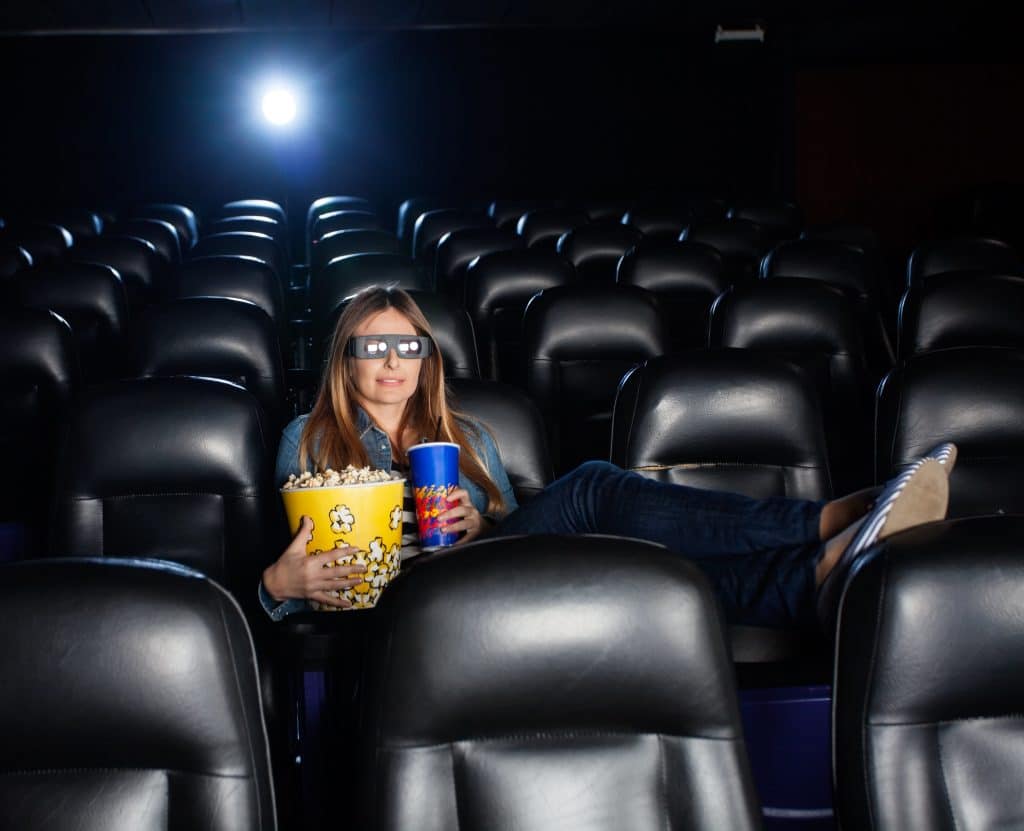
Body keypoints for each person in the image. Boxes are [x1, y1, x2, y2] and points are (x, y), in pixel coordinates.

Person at [260, 286, 955, 629]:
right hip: (399, 613)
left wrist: (478, 523)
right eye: (372, 346)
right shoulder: (309, 436)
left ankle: (814, 574)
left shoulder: (468, 435)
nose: (391, 361)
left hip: (487, 583)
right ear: (343, 360)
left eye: (407, 345)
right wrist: (277, 586)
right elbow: (297, 578)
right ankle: (830, 518)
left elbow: (507, 522)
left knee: (624, 573)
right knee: (593, 484)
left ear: (427, 358)